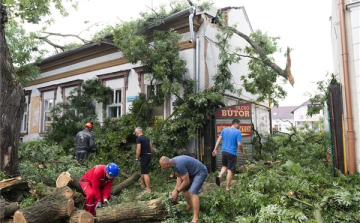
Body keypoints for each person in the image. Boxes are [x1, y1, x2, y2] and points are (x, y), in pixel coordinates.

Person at [159, 155, 208, 223]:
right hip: (192, 174)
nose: (162, 168)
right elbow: (179, 177)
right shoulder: (173, 164)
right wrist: (175, 190)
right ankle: (190, 206)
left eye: (162, 166)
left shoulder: (179, 164)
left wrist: (177, 191)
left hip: (200, 172)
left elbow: (186, 181)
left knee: (192, 192)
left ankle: (196, 218)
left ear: (167, 164)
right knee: (183, 189)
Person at [212, 118, 245, 191]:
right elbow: (239, 144)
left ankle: (220, 175)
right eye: (239, 124)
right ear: (236, 123)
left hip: (224, 151)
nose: (239, 126)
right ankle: (227, 187)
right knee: (230, 170)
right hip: (232, 153)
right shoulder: (237, 132)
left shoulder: (224, 130)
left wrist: (215, 149)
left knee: (225, 166)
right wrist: (242, 151)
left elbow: (219, 139)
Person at [135, 127, 153, 192]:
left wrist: (137, 158)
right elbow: (151, 147)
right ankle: (142, 183)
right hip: (148, 155)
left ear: (137, 132)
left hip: (144, 156)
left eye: (135, 133)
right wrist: (150, 154)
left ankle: (148, 189)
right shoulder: (147, 138)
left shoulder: (139, 139)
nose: (135, 134)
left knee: (145, 172)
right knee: (143, 169)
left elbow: (138, 149)